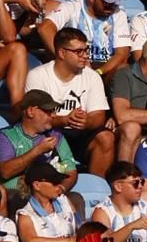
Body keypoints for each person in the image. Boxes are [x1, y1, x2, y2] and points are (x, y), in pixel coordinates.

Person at [27, 28, 116, 177]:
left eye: (85, 50)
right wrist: (64, 120)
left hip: (80, 134)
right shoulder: (38, 76)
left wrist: (85, 121)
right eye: (78, 52)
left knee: (106, 138)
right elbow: (34, 119)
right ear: (62, 53)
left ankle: (96, 189)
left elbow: (99, 115)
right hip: (48, 132)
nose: (85, 56)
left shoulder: (92, 77)